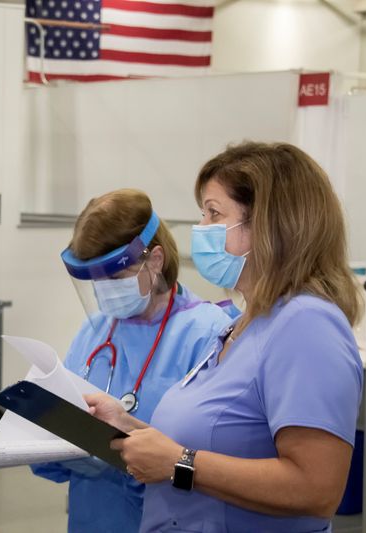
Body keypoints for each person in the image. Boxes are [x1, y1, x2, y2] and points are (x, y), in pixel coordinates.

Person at [86, 142, 364, 532]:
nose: (201, 229)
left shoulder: (307, 324)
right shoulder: (245, 323)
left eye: (214, 213)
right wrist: (129, 429)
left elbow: (316, 489)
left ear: (269, 224)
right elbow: (218, 441)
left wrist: (178, 463)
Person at [31, 189, 234, 533]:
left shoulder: (208, 333)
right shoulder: (95, 330)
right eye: (96, 281)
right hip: (94, 518)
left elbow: (217, 462)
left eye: (114, 278)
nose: (104, 291)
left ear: (154, 260)